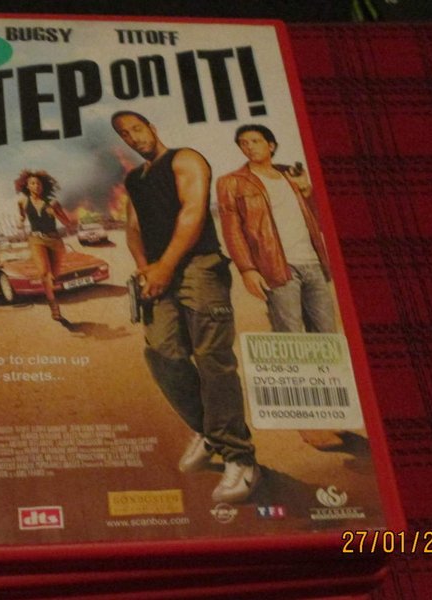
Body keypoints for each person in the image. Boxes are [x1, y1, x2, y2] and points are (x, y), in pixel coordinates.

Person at [111, 110, 260, 503]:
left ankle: (239, 456)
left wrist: (165, 265)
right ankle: (209, 432)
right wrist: (145, 268)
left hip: (198, 267)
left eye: (137, 128)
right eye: (125, 134)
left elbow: (192, 212)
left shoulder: (186, 159)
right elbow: (132, 228)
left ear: (152, 126)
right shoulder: (134, 179)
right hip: (158, 273)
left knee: (213, 361)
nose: (133, 137)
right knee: (162, 354)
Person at [217, 124, 342, 450]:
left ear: (271, 145)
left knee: (326, 341)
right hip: (277, 268)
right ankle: (308, 424)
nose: (249, 147)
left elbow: (320, 217)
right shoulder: (232, 182)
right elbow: (232, 229)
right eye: (243, 143)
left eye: (255, 141)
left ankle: (326, 411)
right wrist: (247, 269)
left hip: (313, 264)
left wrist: (308, 190)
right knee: (292, 343)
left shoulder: (291, 175)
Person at [15, 169, 73, 321]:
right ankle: (54, 307)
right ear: (27, 186)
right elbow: (21, 215)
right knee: (44, 273)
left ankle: (51, 290)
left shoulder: (53, 203)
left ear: (43, 186)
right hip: (36, 239)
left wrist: (56, 214)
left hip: (54, 240)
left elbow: (67, 223)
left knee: (54, 276)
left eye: (39, 184)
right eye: (33, 183)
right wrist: (20, 222)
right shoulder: (23, 201)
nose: (36, 186)